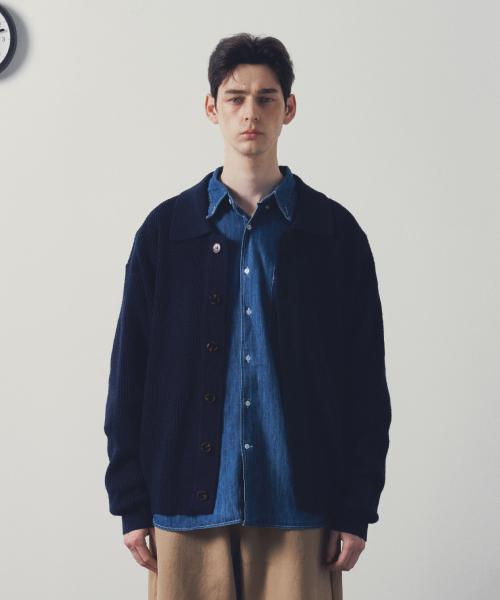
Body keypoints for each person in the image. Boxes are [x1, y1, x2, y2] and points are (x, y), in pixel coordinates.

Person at [104, 32, 392, 600]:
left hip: (300, 509)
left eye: (266, 98)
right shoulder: (166, 233)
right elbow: (129, 375)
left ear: (289, 108)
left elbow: (365, 382)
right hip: (184, 510)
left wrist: (356, 504)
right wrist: (130, 500)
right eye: (235, 98)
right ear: (212, 108)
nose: (250, 113)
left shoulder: (334, 234)